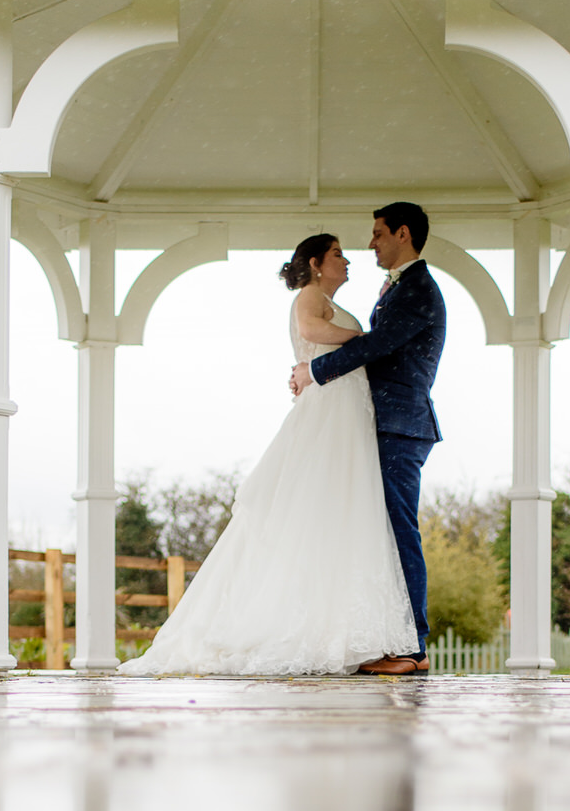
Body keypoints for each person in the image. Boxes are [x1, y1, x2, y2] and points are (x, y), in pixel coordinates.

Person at [121, 232, 418, 676]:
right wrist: (361, 336)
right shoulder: (310, 295)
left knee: (342, 516)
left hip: (347, 415)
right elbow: (311, 330)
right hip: (330, 416)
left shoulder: (321, 294)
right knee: (317, 511)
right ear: (315, 263)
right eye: (338, 254)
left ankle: (345, 632)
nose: (348, 260)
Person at [290, 201, 446, 675]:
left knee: (399, 533)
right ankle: (391, 639)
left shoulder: (418, 288)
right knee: (380, 533)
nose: (371, 243)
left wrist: (315, 371)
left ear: (402, 233)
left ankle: (413, 648)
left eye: (378, 233)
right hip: (381, 423)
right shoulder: (398, 288)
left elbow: (380, 344)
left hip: (399, 425)